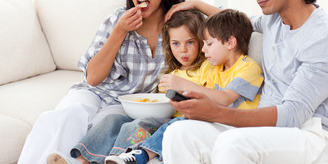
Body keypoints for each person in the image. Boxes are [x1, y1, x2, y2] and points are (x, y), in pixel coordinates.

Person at [162, 0, 328, 164]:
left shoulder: (327, 39)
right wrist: (196, 4)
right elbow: (236, 23)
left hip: (310, 133)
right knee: (179, 134)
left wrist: (216, 112)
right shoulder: (274, 21)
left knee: (233, 143)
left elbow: (292, 115)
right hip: (263, 128)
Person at [18, 0, 187, 164]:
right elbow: (93, 79)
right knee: (66, 115)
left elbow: (225, 22)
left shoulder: (181, 26)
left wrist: (195, 4)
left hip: (127, 104)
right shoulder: (118, 18)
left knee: (103, 127)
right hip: (95, 92)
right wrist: (119, 31)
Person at [46, 9, 207, 164]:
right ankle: (81, 160)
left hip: (175, 119)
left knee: (137, 125)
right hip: (159, 113)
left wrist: (197, 4)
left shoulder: (206, 67)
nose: (183, 50)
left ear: (201, 41)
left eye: (190, 42)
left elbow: (227, 20)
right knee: (112, 119)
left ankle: (117, 159)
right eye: (176, 44)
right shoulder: (170, 70)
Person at [105, 9, 264, 164]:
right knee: (179, 122)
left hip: (236, 124)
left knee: (179, 124)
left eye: (208, 43)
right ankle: (142, 154)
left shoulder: (248, 68)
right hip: (217, 119)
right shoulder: (214, 68)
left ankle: (142, 154)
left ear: (230, 43)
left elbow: (225, 99)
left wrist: (184, 85)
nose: (203, 49)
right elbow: (203, 95)